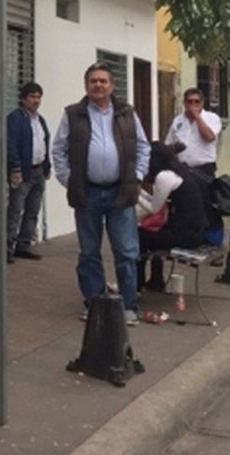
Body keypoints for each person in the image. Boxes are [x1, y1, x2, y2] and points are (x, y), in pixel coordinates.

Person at [52, 63, 151, 325]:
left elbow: (143, 146)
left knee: (127, 252)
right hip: (88, 194)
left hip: (121, 192)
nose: (98, 85)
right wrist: (69, 180)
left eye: (103, 81)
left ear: (111, 85)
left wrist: (137, 176)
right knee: (89, 253)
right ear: (86, 85)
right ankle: (94, 304)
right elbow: (59, 150)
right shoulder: (73, 114)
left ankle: (128, 307)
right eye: (93, 81)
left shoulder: (126, 113)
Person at [136, 148, 210, 290]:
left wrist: (136, 194)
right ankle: (156, 280)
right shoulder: (179, 172)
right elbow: (156, 200)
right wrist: (141, 193)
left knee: (139, 237)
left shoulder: (164, 177)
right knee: (153, 237)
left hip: (184, 235)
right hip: (194, 232)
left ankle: (138, 283)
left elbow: (153, 208)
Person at [6, 82, 50, 263]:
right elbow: (11, 145)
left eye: (38, 97)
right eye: (32, 97)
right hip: (23, 171)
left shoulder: (40, 120)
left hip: (38, 170)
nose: (36, 101)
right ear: (23, 99)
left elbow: (44, 143)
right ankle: (6, 248)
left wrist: (47, 167)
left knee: (32, 210)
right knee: (15, 210)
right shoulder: (15, 119)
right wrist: (15, 168)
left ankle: (23, 245)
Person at [164, 87, 222, 178]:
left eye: (196, 102)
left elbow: (209, 137)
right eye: (190, 102)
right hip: (182, 169)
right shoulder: (178, 120)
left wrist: (197, 116)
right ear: (184, 103)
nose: (193, 105)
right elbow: (167, 145)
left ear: (202, 103)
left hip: (204, 169)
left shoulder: (212, 118)